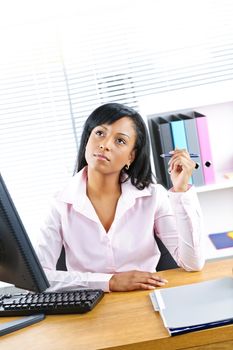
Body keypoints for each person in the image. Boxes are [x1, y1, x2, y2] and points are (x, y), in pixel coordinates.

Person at [36, 102, 205, 292]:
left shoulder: (153, 196)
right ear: (87, 139)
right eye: (100, 133)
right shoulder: (60, 202)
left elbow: (193, 263)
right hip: (87, 308)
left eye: (120, 141)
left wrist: (181, 190)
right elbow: (40, 277)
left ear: (131, 157)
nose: (105, 145)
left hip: (145, 299)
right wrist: (109, 282)